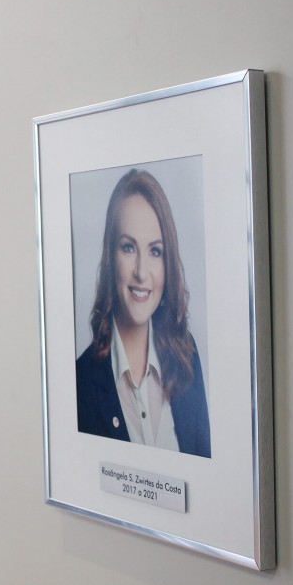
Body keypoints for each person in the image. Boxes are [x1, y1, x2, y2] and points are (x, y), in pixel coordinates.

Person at [76, 169, 210, 457]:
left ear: (167, 261)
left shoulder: (187, 357)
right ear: (110, 257)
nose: (140, 271)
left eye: (155, 251)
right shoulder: (81, 382)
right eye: (128, 247)